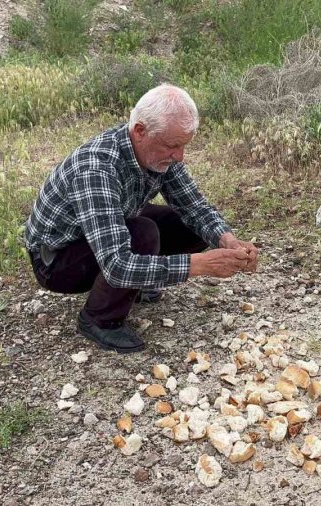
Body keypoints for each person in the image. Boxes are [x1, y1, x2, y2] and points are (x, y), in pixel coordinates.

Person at [24, 84, 258, 353]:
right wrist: (200, 265)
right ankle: (99, 319)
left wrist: (228, 241)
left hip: (105, 227)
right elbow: (116, 264)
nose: (179, 156)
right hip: (55, 261)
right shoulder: (96, 168)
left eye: (183, 146)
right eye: (172, 146)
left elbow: (195, 207)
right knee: (142, 234)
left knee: (189, 226)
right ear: (140, 131)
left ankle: (138, 284)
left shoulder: (156, 151)